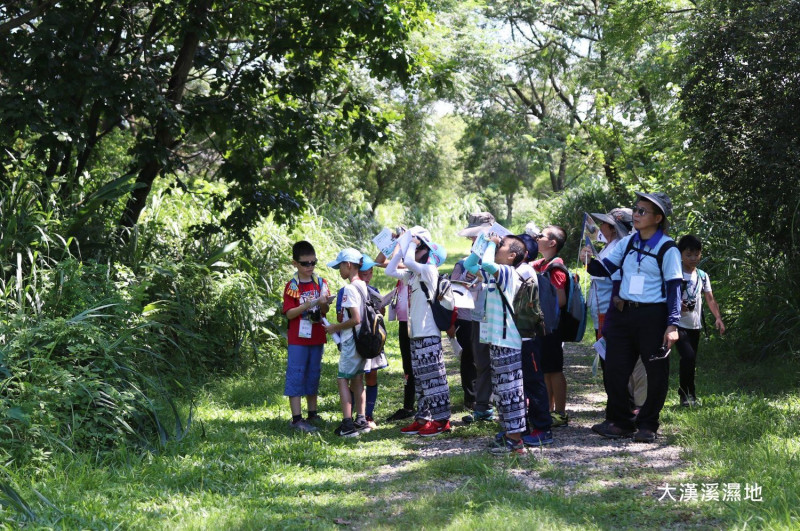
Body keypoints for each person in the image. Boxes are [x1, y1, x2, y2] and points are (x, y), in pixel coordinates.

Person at [587, 191, 683, 443]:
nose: (636, 215)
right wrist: (589, 258)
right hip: (623, 314)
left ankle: (648, 424)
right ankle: (620, 422)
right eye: (636, 209)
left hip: (653, 315)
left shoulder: (668, 248)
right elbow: (605, 268)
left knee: (656, 371)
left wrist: (672, 324)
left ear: (658, 218)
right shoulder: (627, 242)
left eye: (642, 211)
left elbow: (674, 288)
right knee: (615, 369)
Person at [464, 233, 529, 455]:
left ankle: (516, 441)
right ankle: (509, 436)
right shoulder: (494, 275)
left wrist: (490, 244)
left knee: (511, 392)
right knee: (503, 392)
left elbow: (488, 263)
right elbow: (469, 264)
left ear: (512, 256)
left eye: (501, 245)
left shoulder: (508, 273)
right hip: (496, 341)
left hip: (508, 341)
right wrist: (483, 242)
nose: (497, 246)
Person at [386, 231, 452, 437]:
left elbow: (409, 261)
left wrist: (411, 243)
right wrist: (399, 247)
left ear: (427, 251)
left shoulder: (429, 270)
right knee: (422, 379)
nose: (414, 251)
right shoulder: (414, 275)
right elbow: (390, 270)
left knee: (434, 378)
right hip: (415, 332)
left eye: (419, 248)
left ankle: (442, 420)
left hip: (428, 332)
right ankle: (423, 418)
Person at [581, 208, 647, 415]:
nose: (600, 227)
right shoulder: (612, 245)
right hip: (602, 310)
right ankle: (618, 404)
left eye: (605, 223)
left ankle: (623, 406)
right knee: (608, 356)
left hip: (610, 311)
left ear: (613, 227)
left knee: (613, 358)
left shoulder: (621, 246)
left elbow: (613, 277)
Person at [282, 240, 331, 433]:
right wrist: (307, 305)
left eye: (313, 262)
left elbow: (325, 310)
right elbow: (289, 313)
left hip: (316, 336)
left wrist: (324, 301)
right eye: (305, 263)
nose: (310, 267)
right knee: (296, 374)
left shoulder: (321, 283)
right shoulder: (291, 286)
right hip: (298, 339)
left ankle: (313, 413)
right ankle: (296, 418)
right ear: (295, 263)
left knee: (313, 373)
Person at [451, 211, 496, 421]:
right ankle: (480, 403)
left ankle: (496, 402)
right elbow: (460, 280)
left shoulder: (501, 254)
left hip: (496, 315)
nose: (471, 238)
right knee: (477, 358)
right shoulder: (469, 259)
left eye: (475, 234)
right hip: (474, 314)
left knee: (496, 359)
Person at [323, 248, 372, 437]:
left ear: (349, 265)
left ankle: (348, 424)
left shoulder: (350, 289)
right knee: (358, 378)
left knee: (343, 378)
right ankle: (361, 419)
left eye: (340, 266)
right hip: (363, 341)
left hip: (352, 341)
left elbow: (356, 318)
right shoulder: (363, 286)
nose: (339, 270)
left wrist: (335, 327)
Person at [675, 234, 726, 407]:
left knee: (691, 360)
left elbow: (710, 299)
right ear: (680, 254)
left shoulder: (703, 276)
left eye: (696, 254)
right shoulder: (674, 274)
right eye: (688, 255)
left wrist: (718, 318)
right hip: (676, 324)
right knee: (687, 357)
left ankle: (688, 393)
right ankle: (687, 395)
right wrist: (676, 305)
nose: (693, 258)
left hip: (694, 325)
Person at [515, 233, 554, 447]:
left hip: (528, 336)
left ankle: (543, 428)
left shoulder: (524, 271)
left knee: (533, 381)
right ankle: (523, 426)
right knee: (522, 382)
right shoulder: (519, 270)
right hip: (517, 337)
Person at [532, 225, 570, 428]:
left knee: (555, 369)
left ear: (552, 243)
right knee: (545, 370)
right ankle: (548, 410)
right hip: (544, 326)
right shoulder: (543, 263)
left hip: (552, 327)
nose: (537, 238)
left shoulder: (555, 268)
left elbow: (560, 300)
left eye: (541, 236)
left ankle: (561, 413)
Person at [357, 256, 391, 427]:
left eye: (370, 273)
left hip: (373, 340)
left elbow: (380, 314)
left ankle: (368, 415)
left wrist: (381, 308)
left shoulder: (374, 289)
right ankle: (358, 414)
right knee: (357, 377)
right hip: (357, 339)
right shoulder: (349, 290)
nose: (367, 277)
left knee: (372, 376)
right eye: (364, 273)